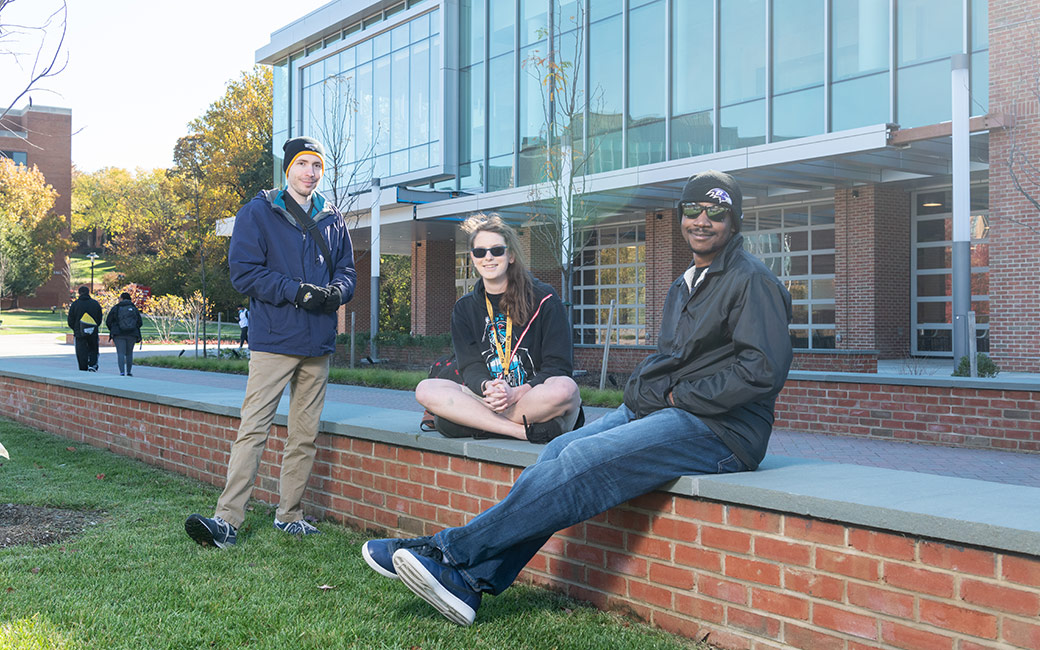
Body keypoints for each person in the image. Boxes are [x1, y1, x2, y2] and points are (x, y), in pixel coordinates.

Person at [362, 170, 793, 626]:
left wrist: (671, 393)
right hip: (668, 408)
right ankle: (469, 582)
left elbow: (761, 370)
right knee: (562, 448)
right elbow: (677, 359)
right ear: (682, 215)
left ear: (735, 219)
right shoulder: (688, 282)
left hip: (720, 431)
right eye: (693, 209)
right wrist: (650, 388)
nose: (702, 220)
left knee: (581, 458)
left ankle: (446, 551)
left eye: (716, 211)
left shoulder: (751, 280)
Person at [185, 136, 356, 548]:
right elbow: (243, 272)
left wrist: (336, 293)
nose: (310, 173)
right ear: (288, 168)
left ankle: (290, 515)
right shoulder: (257, 213)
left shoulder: (332, 218)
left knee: (304, 434)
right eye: (303, 164)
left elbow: (348, 271)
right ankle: (227, 521)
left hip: (317, 344)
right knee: (254, 429)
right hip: (274, 341)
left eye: (316, 165)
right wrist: (294, 290)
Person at [415, 213, 582, 443]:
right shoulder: (464, 308)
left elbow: (558, 367)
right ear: (473, 258)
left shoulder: (545, 298)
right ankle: (521, 432)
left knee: (565, 389)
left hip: (532, 399)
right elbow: (470, 366)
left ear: (511, 255)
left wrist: (516, 392)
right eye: (480, 252)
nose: (488, 258)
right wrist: (487, 387)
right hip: (488, 399)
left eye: (497, 250)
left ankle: (474, 423)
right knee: (425, 389)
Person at [105, 292, 142, 376]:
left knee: (120, 353)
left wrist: (113, 329)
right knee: (129, 353)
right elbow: (140, 322)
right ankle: (129, 371)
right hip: (132, 334)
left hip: (119, 334)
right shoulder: (134, 308)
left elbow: (108, 321)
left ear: (121, 298)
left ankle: (122, 372)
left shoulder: (116, 308)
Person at [67, 285, 103, 372]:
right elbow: (99, 318)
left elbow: (70, 319)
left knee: (81, 351)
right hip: (93, 331)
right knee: (93, 348)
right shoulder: (95, 304)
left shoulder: (75, 304)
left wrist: (76, 328)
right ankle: (92, 364)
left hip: (79, 332)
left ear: (79, 293)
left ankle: (83, 367)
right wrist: (94, 326)